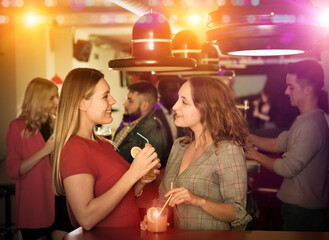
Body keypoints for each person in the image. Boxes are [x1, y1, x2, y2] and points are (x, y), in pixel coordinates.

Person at [51, 68, 160, 230]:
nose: (113, 100)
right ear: (82, 103)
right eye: (105, 96)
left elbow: (118, 197)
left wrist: (140, 182)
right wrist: (132, 174)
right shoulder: (75, 148)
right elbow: (86, 218)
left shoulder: (102, 143)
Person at [141, 76, 252, 230]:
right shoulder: (179, 146)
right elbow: (165, 199)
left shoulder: (228, 150)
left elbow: (238, 212)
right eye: (178, 99)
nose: (175, 106)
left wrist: (198, 201)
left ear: (206, 108)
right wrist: (154, 216)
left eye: (184, 102)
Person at [246, 60, 329, 231]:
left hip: (303, 210)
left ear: (307, 90)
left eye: (291, 87)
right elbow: (278, 144)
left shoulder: (311, 125)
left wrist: (255, 155)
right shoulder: (307, 120)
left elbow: (287, 168)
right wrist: (247, 137)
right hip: (300, 208)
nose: (285, 92)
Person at [6, 78, 74, 240]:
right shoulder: (17, 127)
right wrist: (44, 151)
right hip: (35, 202)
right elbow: (13, 170)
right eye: (52, 98)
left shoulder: (55, 124)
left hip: (60, 197)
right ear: (38, 99)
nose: (57, 101)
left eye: (56, 96)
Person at [113, 80, 168, 165]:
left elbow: (150, 169)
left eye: (130, 101)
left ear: (144, 106)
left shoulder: (153, 130)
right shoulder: (129, 119)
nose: (124, 104)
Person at [154, 76, 185, 167]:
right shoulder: (152, 114)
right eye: (172, 90)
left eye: (178, 91)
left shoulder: (181, 111)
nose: (177, 95)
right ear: (160, 92)